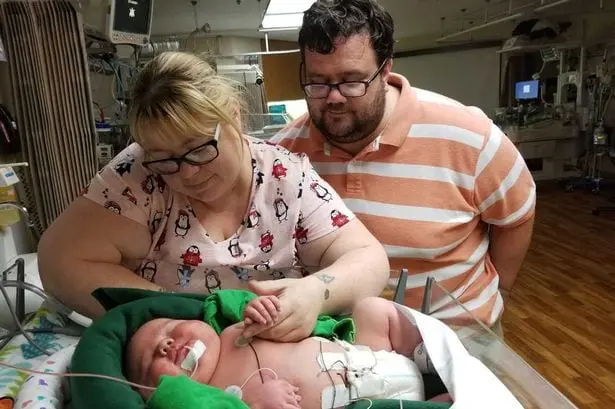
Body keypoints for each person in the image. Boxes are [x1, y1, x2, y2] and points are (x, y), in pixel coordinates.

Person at [37, 51, 390, 342]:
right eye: (166, 158)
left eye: (198, 148)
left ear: (233, 118)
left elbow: (368, 258)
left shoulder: (285, 178)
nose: (187, 173)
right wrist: (185, 313)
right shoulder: (139, 176)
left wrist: (316, 292)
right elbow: (59, 260)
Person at [270, 0, 536, 333]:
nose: (334, 98)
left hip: (458, 336)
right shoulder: (283, 155)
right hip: (338, 344)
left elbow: (516, 215)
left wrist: (501, 290)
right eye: (318, 83)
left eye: (351, 81)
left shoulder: (470, 136)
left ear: (385, 70)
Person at [125, 295, 451, 408]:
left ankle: (426, 355)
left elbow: (293, 324)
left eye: (168, 328)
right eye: (149, 360)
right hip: (364, 405)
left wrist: (266, 314)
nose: (166, 344)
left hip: (373, 351)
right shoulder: (217, 398)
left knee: (372, 309)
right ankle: (443, 404)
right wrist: (255, 405)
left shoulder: (233, 331)